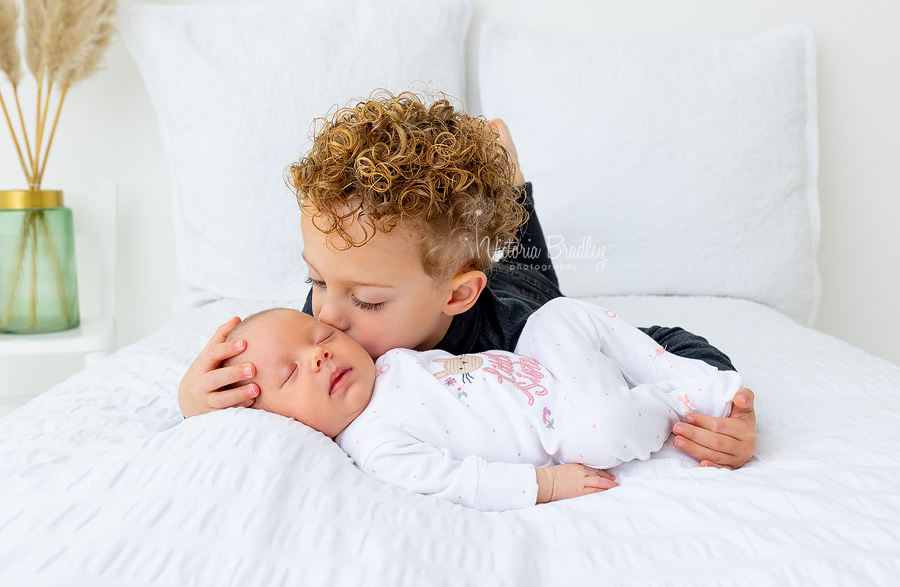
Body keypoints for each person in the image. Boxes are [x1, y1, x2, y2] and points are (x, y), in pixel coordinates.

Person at [178, 91, 756, 469]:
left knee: (526, 257)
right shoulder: (326, 322)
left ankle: (509, 176)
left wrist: (729, 409)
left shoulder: (515, 328)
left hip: (518, 291)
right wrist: (197, 399)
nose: (325, 318)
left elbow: (666, 342)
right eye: (317, 278)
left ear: (456, 295)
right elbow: (265, 370)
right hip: (461, 276)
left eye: (367, 299)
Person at [220, 300, 742, 511]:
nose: (319, 355)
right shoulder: (374, 443)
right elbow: (457, 480)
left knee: (556, 312)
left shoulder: (387, 358)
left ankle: (697, 379)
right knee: (605, 431)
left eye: (323, 334)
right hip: (563, 423)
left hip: (541, 356)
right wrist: (547, 484)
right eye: (291, 373)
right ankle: (686, 401)